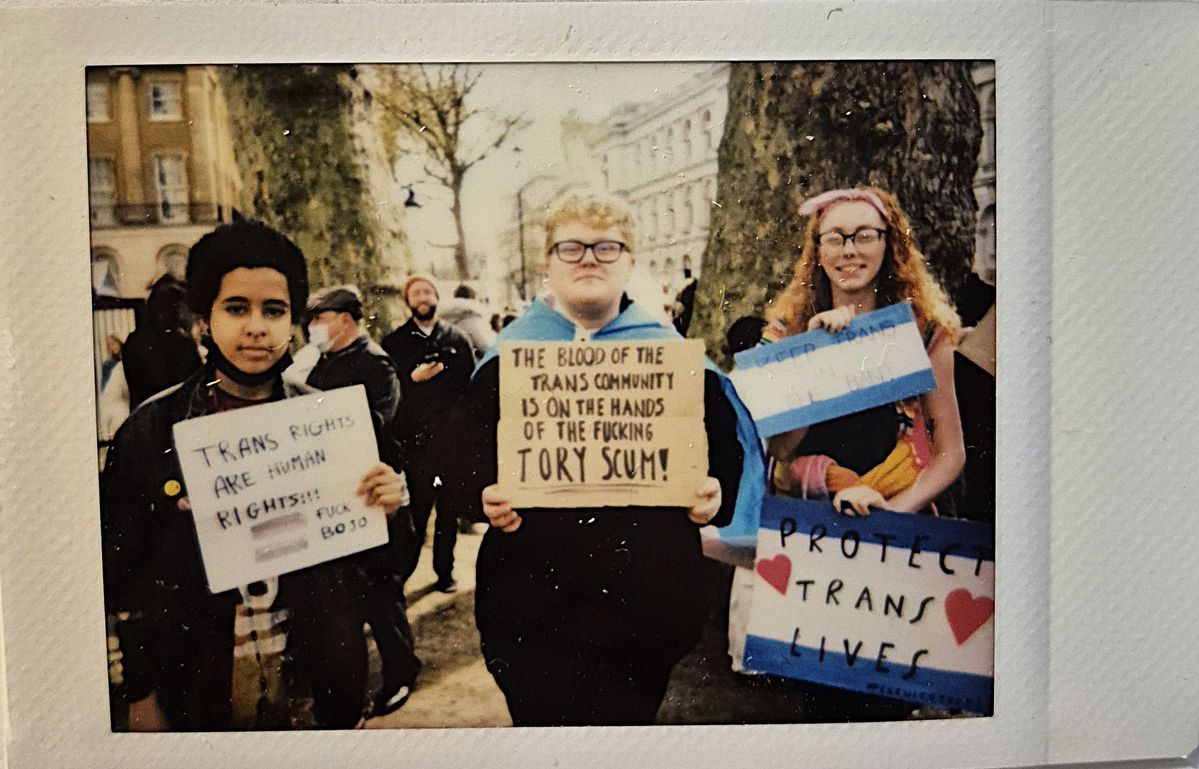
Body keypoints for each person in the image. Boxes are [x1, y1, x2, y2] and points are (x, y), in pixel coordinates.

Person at [438, 191, 760, 726]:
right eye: (572, 248)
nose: (589, 258)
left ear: (630, 261)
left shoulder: (673, 361)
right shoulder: (507, 362)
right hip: (533, 605)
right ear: (548, 264)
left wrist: (714, 494)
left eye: (607, 247)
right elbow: (458, 466)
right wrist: (482, 497)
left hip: (642, 606)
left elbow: (725, 457)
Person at [101, 219, 407, 731]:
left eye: (275, 310)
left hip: (315, 685)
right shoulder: (152, 431)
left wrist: (393, 507)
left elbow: (383, 569)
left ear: (293, 322)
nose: (257, 327)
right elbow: (123, 580)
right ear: (204, 318)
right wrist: (141, 692)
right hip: (203, 685)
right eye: (236, 308)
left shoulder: (330, 424)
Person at [764, 186, 966, 720]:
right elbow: (778, 450)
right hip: (812, 533)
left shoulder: (923, 331)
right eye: (836, 237)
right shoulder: (785, 329)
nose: (849, 250)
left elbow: (951, 454)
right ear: (818, 249)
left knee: (886, 696)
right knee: (820, 696)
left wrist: (891, 512)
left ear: (888, 245)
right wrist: (811, 358)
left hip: (894, 530)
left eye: (865, 236)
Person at [303, 285, 422, 716]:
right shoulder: (321, 363)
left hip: (378, 499)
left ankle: (401, 674)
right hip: (341, 499)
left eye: (320, 318)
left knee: (382, 595)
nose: (312, 326)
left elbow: (378, 422)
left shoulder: (375, 364)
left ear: (346, 321)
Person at [381, 275, 474, 593]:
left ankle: (444, 573)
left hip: (451, 444)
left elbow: (471, 388)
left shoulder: (457, 338)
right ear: (408, 301)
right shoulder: (394, 342)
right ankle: (401, 577)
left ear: (437, 296)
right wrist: (411, 380)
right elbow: (387, 395)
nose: (422, 297)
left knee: (448, 512)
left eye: (427, 291)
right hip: (415, 446)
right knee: (416, 516)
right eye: (415, 292)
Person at [121, 274, 202, 410]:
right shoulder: (182, 342)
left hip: (144, 415)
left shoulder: (134, 341)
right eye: (176, 308)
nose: (180, 313)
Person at [438, 284, 496, 361]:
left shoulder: (443, 317)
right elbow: (486, 346)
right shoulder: (471, 316)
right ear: (474, 298)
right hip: (472, 366)